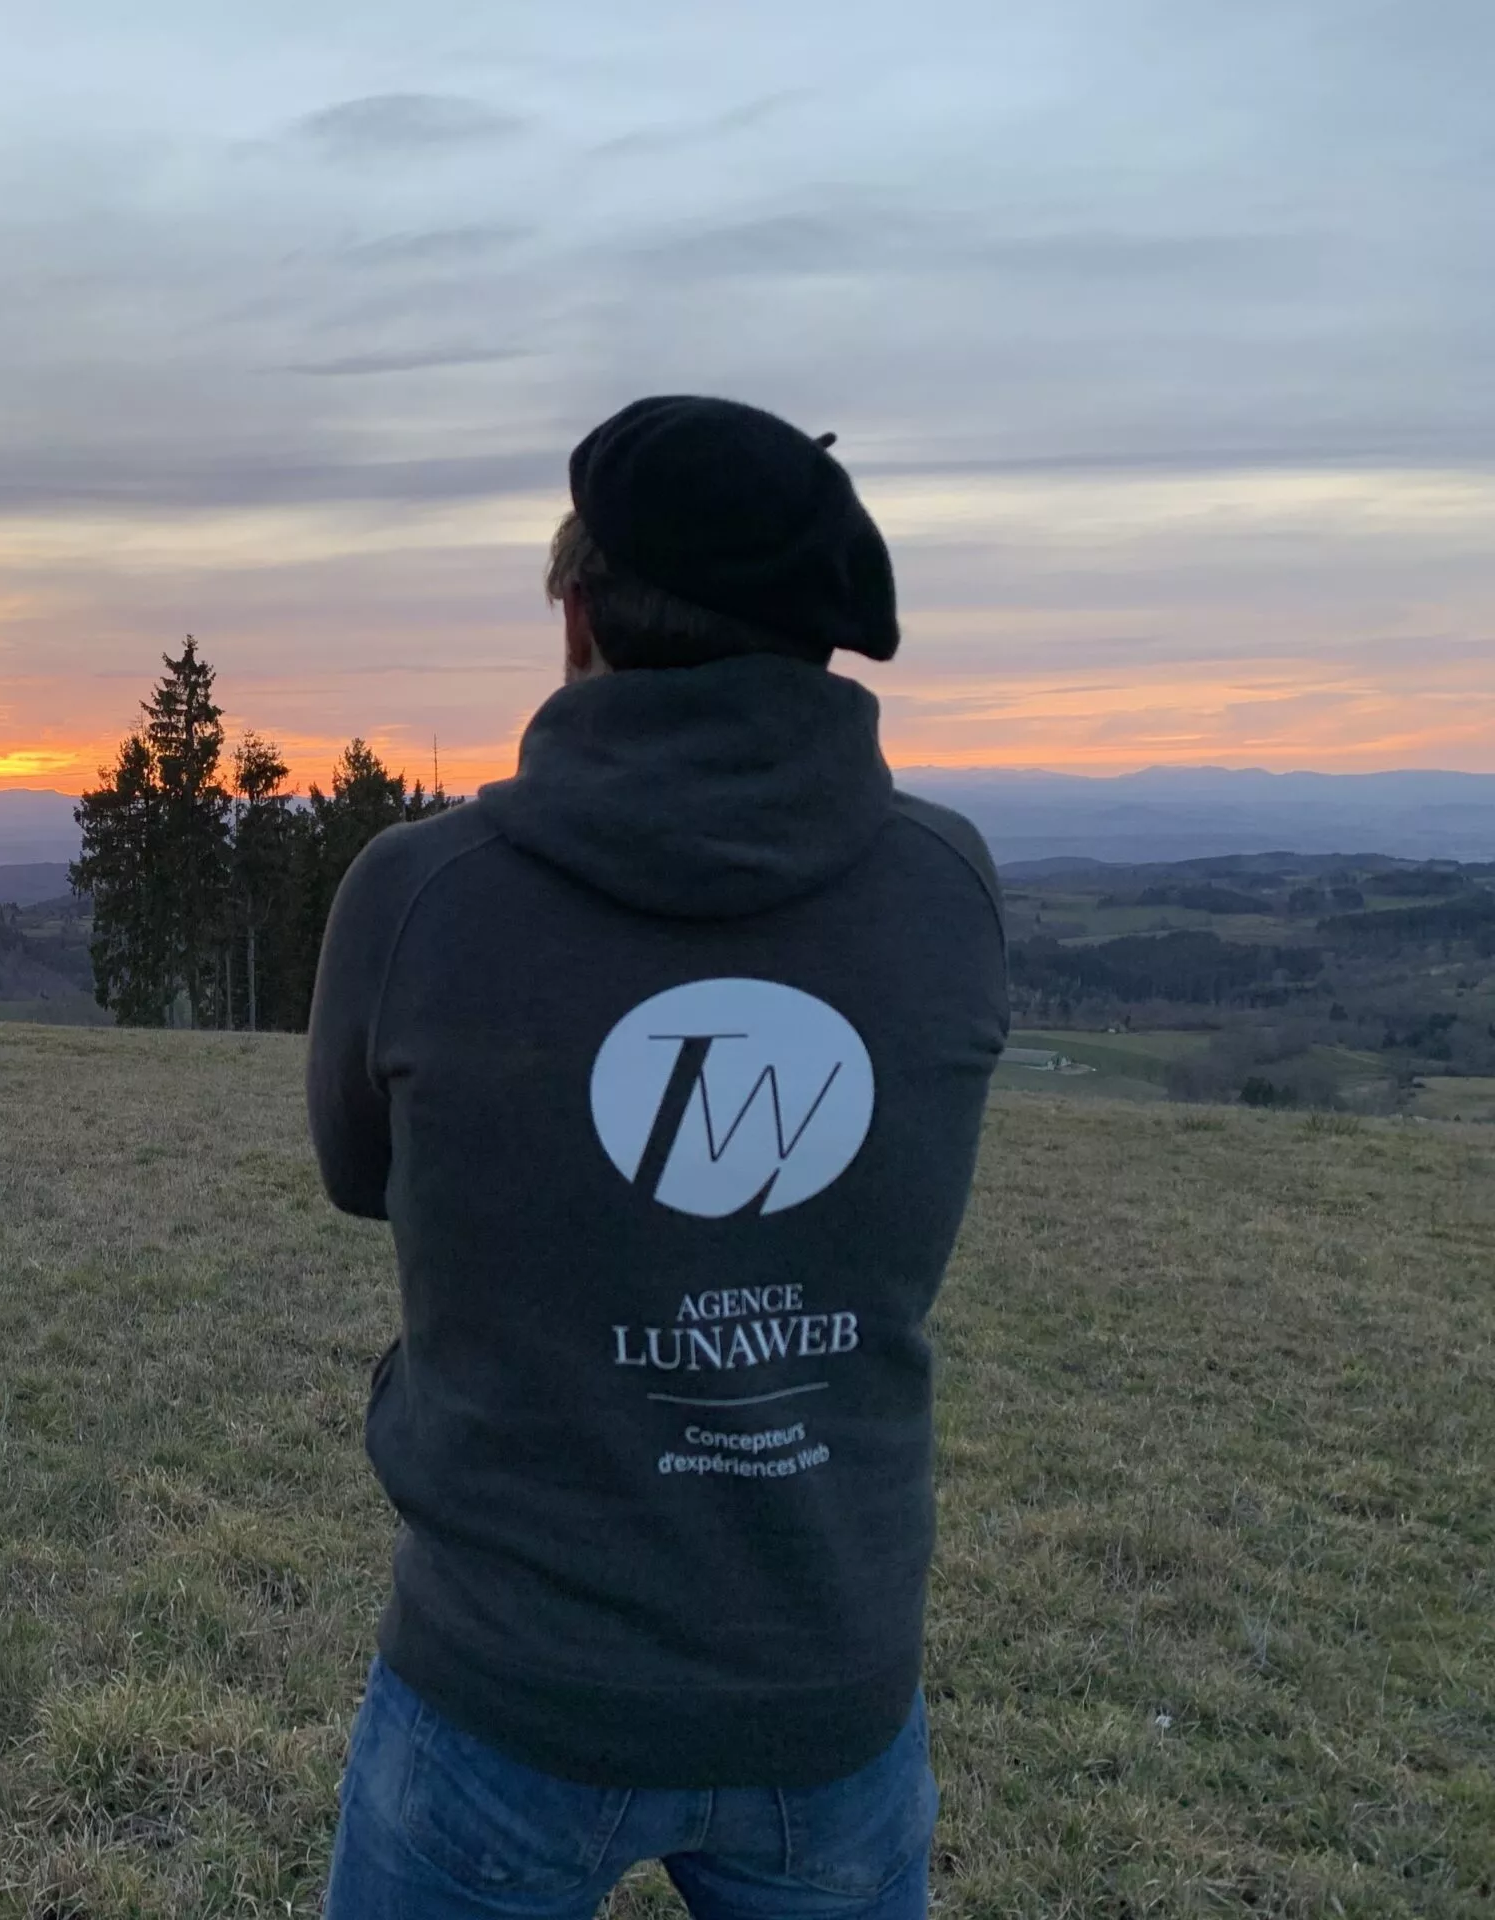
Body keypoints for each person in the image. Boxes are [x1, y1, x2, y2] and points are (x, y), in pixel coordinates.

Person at [305, 395, 1009, 1920]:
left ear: (576, 618)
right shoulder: (947, 886)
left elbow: (359, 1176)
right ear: (825, 640)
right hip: (829, 1681)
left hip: (505, 1678)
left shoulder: (421, 896)